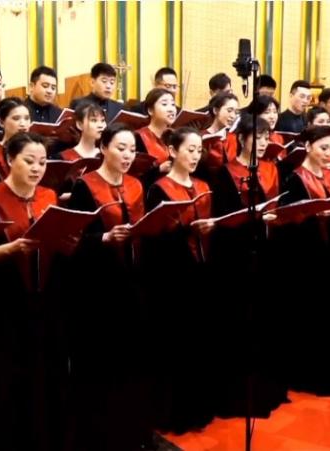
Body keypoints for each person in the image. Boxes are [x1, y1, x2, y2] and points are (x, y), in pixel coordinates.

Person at [0, 132, 67, 450]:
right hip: (5, 304)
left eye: (42, 162)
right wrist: (10, 250)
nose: (37, 168)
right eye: (29, 161)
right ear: (10, 160)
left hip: (45, 298)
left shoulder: (49, 195)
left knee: (45, 374)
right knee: (7, 378)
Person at [65, 123, 153, 450]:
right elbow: (71, 239)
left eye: (132, 149)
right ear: (103, 147)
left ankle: (133, 430)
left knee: (133, 361)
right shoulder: (84, 187)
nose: (128, 155)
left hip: (133, 282)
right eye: (120, 148)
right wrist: (102, 238)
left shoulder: (137, 185)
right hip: (98, 289)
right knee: (101, 363)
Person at [209, 114, 287, 419]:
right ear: (242, 138)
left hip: (267, 250)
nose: (264, 142)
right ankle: (238, 391)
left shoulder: (271, 168)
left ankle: (266, 385)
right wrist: (254, 219)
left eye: (267, 137)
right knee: (240, 320)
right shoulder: (225, 173)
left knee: (265, 319)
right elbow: (225, 216)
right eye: (258, 136)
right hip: (236, 255)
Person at [141, 127, 215, 433]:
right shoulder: (159, 189)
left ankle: (199, 406)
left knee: (199, 343)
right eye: (190, 149)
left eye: (199, 150)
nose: (195, 155)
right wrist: (188, 231)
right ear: (172, 151)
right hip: (173, 277)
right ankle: (172, 413)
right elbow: (155, 239)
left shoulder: (204, 186)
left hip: (201, 272)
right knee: (175, 345)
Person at [274, 125, 330, 396]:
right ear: (308, 148)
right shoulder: (295, 178)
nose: (329, 153)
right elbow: (289, 221)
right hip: (307, 257)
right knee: (309, 316)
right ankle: (308, 375)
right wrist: (315, 218)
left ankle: (329, 370)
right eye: (323, 148)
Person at [198, 92, 239, 178]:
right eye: (229, 111)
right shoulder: (200, 137)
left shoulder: (234, 137)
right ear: (216, 110)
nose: (233, 116)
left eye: (236, 112)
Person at [137, 88, 178, 173]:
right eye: (164, 104)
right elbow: (136, 173)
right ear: (150, 110)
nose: (171, 109)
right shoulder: (139, 137)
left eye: (173, 104)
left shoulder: (175, 136)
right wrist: (158, 170)